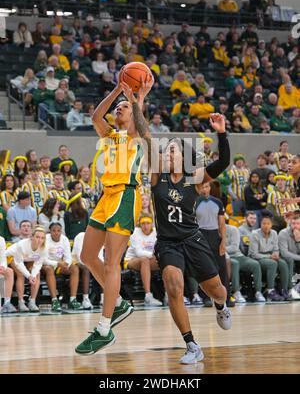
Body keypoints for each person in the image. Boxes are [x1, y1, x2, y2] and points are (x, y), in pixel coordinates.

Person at [128, 95, 232, 363]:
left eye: (172, 149)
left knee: (217, 290)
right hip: (168, 243)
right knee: (173, 285)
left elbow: (222, 164)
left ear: (183, 156)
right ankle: (192, 345)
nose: (167, 152)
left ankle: (220, 306)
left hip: (193, 239)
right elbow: (145, 133)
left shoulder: (194, 179)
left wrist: (222, 134)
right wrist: (138, 105)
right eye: (166, 149)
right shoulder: (156, 174)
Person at [75, 73, 154, 355]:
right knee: (86, 255)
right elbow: (96, 116)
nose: (118, 108)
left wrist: (137, 101)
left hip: (125, 195)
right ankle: (118, 303)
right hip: (106, 197)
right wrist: (117, 91)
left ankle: (104, 329)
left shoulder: (137, 136)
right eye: (118, 107)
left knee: (111, 263)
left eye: (123, 107)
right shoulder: (110, 135)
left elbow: (142, 128)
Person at [196, 181, 233, 308]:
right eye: (202, 187)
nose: (204, 189)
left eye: (206, 186)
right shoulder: (195, 202)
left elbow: (222, 224)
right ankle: (206, 297)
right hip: (200, 235)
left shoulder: (217, 202)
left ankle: (226, 298)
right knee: (204, 268)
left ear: (210, 188)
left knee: (222, 267)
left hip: (214, 236)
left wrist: (223, 241)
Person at [249, 212, 290, 301]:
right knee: (272, 264)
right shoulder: (255, 234)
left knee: (283, 263)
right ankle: (270, 291)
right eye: (264, 224)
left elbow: (276, 249)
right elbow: (254, 254)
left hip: (271, 256)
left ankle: (284, 290)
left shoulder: (274, 233)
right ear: (260, 224)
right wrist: (270, 256)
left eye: (268, 224)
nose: (266, 226)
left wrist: (276, 254)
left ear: (271, 225)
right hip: (258, 258)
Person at [6, 226, 47, 312]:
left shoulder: (44, 248)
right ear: (32, 237)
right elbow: (19, 263)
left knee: (37, 274)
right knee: (21, 274)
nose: (39, 240)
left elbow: (38, 264)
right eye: (37, 237)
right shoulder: (22, 245)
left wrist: (33, 275)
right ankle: (21, 302)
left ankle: (32, 302)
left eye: (42, 238)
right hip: (11, 258)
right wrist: (29, 276)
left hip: (27, 260)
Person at [42, 223, 81, 311]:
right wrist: (58, 263)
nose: (56, 233)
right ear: (50, 231)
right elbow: (43, 259)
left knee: (74, 268)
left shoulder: (64, 239)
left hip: (60, 265)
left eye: (59, 231)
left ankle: (73, 299)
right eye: (54, 231)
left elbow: (68, 256)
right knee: (49, 269)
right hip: (46, 265)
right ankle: (54, 300)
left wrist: (66, 264)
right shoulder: (45, 239)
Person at [125, 215, 162, 306]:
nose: (145, 226)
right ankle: (148, 296)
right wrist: (152, 256)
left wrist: (156, 256)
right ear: (139, 225)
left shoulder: (156, 233)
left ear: (152, 224)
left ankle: (168, 295)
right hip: (131, 260)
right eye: (143, 224)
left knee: (165, 262)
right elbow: (138, 252)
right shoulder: (135, 233)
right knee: (144, 260)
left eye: (148, 223)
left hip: (149, 260)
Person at [225, 224, 265, 303]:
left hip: (238, 255)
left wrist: (222, 249)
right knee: (235, 264)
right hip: (225, 257)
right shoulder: (213, 230)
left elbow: (234, 248)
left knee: (255, 264)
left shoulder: (233, 229)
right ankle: (236, 292)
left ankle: (258, 292)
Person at [278, 215, 300, 300]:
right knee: (289, 260)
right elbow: (284, 253)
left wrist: (298, 241)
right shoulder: (283, 233)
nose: (295, 226)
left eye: (298, 223)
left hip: (297, 258)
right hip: (286, 258)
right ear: (290, 224)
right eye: (293, 223)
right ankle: (290, 290)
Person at [0, 235, 17, 313]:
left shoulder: (1, 239)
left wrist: (2, 267)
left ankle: (7, 303)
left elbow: (3, 258)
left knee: (9, 271)